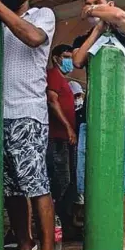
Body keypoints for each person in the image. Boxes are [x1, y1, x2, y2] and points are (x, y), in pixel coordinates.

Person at [0, 0, 56, 250]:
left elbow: (35, 38)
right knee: (11, 189)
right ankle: (26, 244)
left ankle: (47, 249)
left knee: (36, 184)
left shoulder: (42, 15)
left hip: (28, 112)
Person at [71, 0, 125, 250]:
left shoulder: (123, 33)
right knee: (89, 183)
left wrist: (101, 16)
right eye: (88, 3)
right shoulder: (89, 35)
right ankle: (97, 239)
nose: (91, 7)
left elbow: (121, 18)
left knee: (123, 185)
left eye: (97, 2)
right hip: (91, 122)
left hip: (119, 121)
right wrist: (97, 27)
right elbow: (77, 60)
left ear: (109, 3)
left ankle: (119, 246)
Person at [46, 44, 77, 216]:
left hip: (64, 138)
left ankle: (60, 219)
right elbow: (52, 100)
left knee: (67, 180)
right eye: (66, 57)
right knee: (60, 180)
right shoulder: (53, 76)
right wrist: (68, 128)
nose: (70, 61)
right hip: (56, 137)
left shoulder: (63, 80)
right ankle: (55, 218)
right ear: (56, 58)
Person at [68, 81, 86, 227]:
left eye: (79, 95)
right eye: (75, 96)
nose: (78, 98)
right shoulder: (71, 115)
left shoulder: (84, 113)